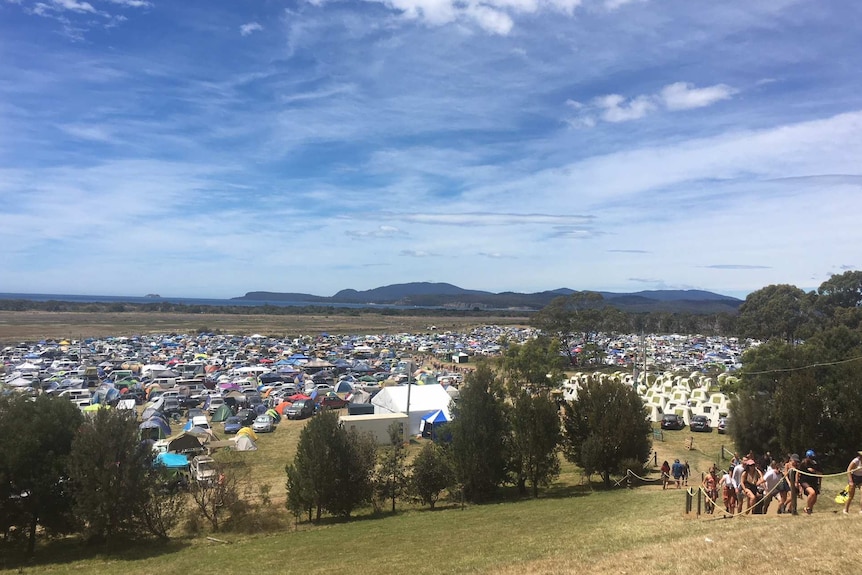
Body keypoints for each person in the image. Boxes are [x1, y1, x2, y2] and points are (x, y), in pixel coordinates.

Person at [798, 449, 822, 515]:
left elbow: (820, 474)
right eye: (810, 457)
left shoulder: (816, 464)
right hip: (804, 481)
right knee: (812, 493)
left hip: (814, 481)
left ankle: (810, 510)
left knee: (814, 498)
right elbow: (798, 472)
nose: (812, 459)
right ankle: (807, 507)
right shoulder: (803, 463)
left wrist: (814, 472)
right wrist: (796, 482)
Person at [844, 450, 862, 515]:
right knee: (851, 495)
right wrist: (851, 481)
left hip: (861, 478)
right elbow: (848, 470)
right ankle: (846, 509)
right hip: (853, 477)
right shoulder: (856, 461)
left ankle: (861, 510)